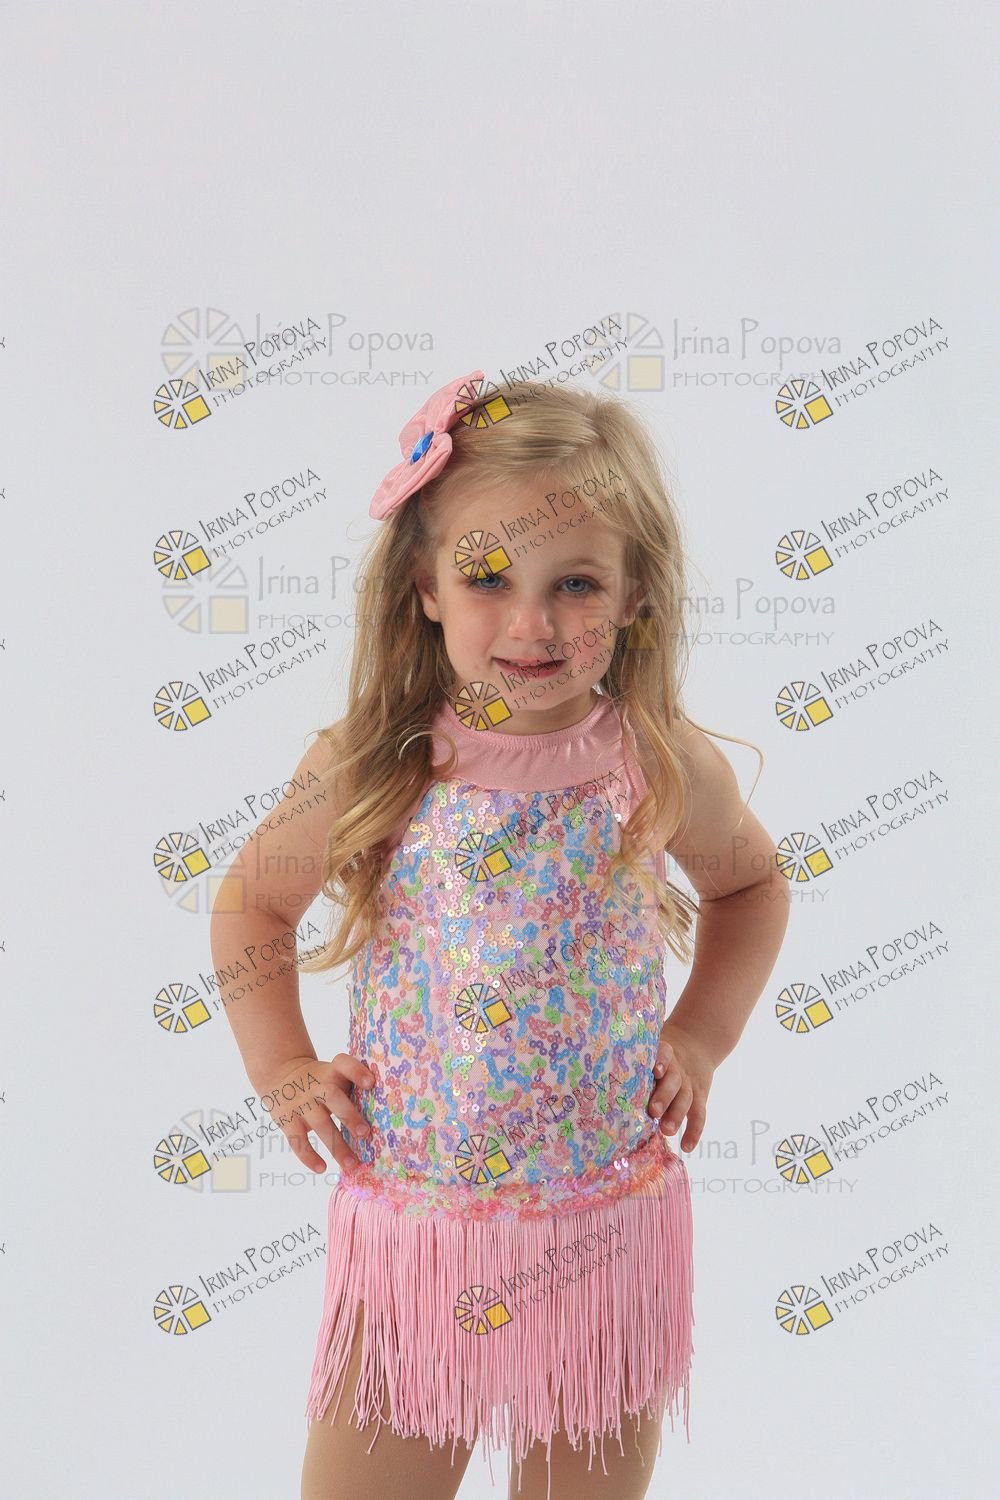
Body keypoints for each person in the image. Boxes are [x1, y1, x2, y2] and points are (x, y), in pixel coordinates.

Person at [209, 369, 791, 1500]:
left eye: (576, 583)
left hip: (602, 1229)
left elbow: (753, 889)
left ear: (634, 594)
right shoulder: (379, 759)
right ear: (423, 586)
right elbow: (252, 904)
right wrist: (281, 1066)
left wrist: (701, 1037)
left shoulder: (655, 759)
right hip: (417, 1226)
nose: (533, 624)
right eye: (487, 578)